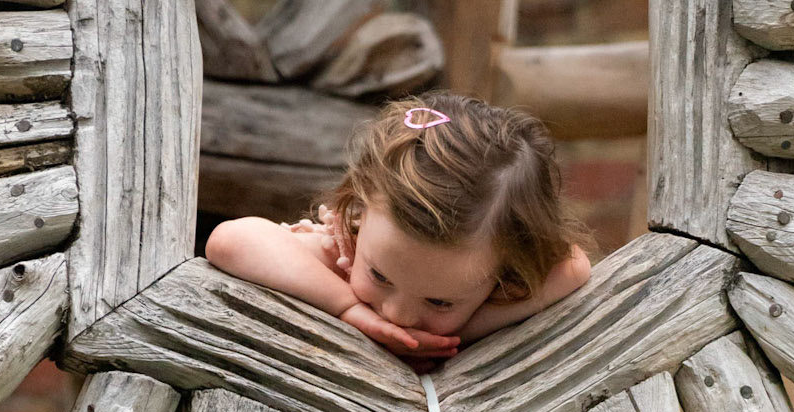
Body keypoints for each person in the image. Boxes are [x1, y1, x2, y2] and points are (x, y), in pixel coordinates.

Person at [205, 93, 592, 364]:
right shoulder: (337, 251)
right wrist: (350, 309)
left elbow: (574, 267)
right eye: (379, 275)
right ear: (360, 207)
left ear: (506, 268)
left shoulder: (496, 276)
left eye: (439, 302)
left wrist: (444, 340)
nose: (399, 316)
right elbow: (229, 241)